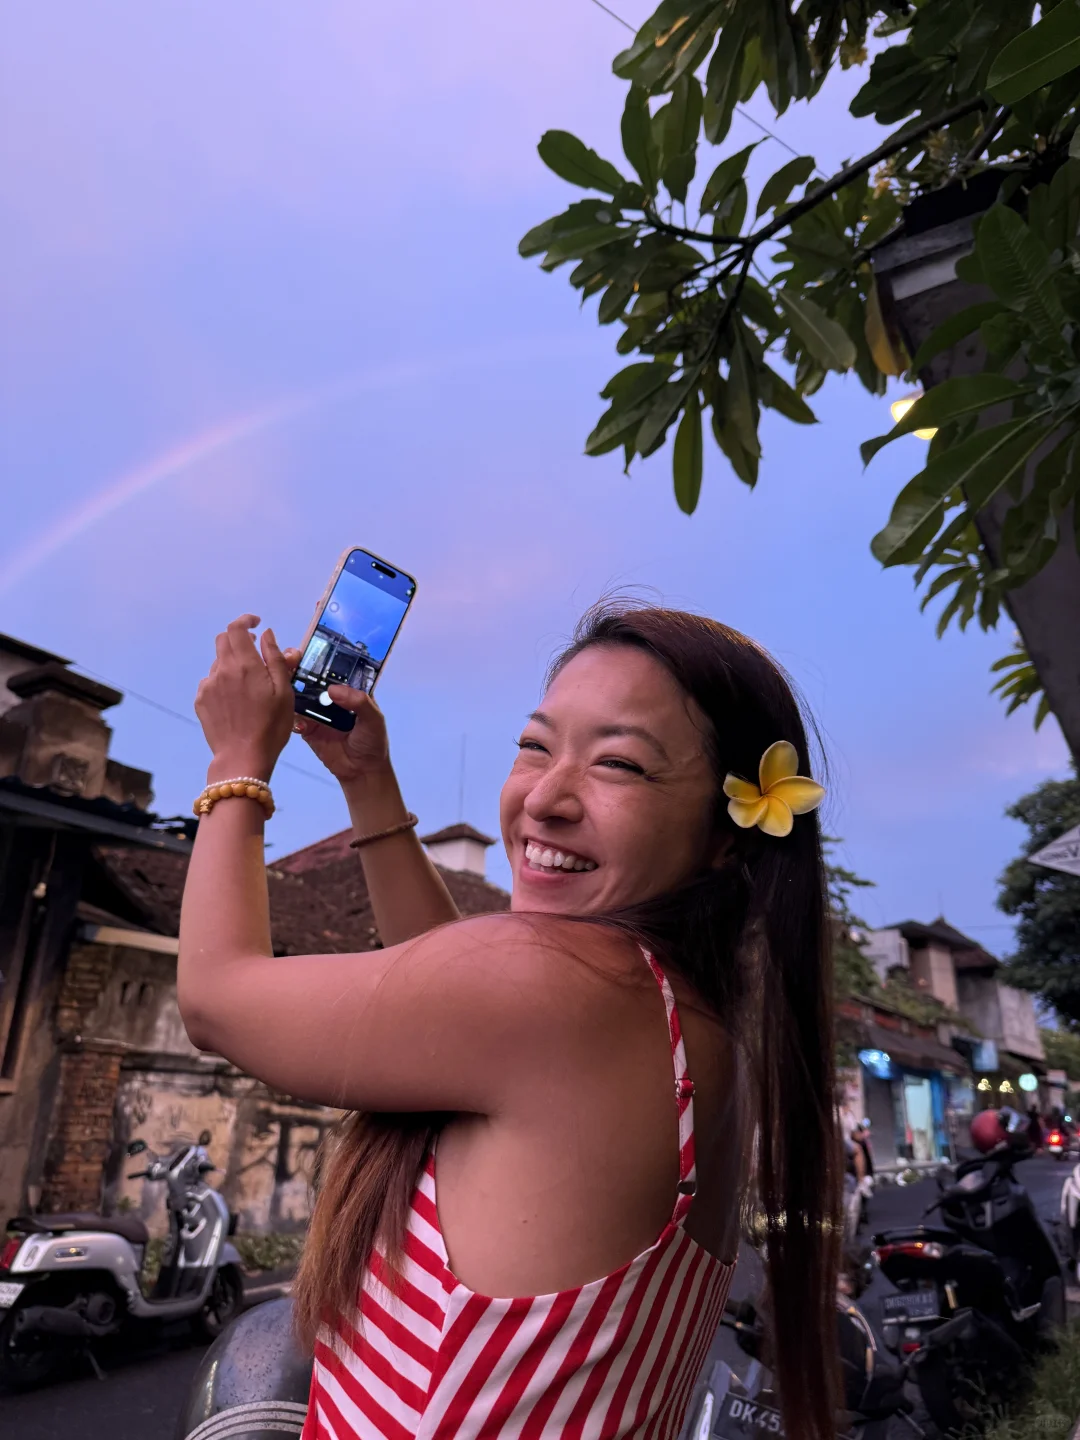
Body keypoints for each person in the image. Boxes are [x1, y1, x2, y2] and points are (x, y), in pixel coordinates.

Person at [177, 602, 840, 1440]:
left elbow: (215, 996)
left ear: (726, 837)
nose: (546, 798)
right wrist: (366, 782)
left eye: (620, 764)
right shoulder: (681, 1014)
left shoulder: (569, 992)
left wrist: (238, 761)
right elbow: (450, 994)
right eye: (534, 746)